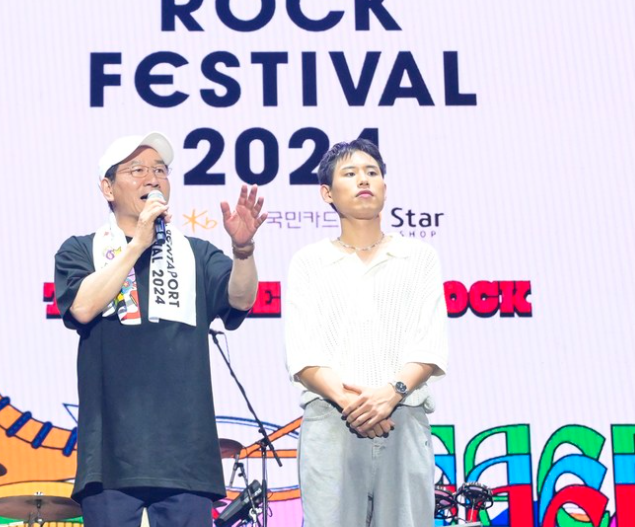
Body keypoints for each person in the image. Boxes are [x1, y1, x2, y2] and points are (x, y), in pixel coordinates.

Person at [52, 132, 264, 527]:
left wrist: (243, 251)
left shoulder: (197, 253)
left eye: (160, 171)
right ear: (107, 188)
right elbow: (82, 307)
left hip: (186, 457)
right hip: (110, 457)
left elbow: (240, 299)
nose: (152, 179)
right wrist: (136, 245)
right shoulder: (81, 249)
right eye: (137, 170)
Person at [283, 138, 448, 527]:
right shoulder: (309, 262)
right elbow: (303, 355)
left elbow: (429, 346)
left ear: (384, 187)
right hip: (331, 423)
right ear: (327, 193)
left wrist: (390, 394)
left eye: (372, 172)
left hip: (403, 418)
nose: (363, 180)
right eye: (350, 173)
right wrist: (353, 405)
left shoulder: (419, 257)